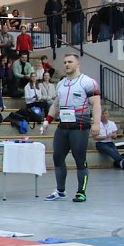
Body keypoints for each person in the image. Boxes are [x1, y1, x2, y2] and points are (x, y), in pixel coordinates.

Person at [40, 54, 102, 203]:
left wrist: (96, 123)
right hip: (63, 126)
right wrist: (47, 121)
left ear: (77, 64)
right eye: (65, 62)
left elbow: (96, 104)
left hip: (79, 127)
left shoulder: (87, 82)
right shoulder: (61, 84)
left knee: (80, 160)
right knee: (57, 158)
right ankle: (60, 191)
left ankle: (81, 192)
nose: (66, 64)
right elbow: (55, 105)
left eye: (70, 62)